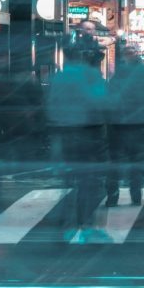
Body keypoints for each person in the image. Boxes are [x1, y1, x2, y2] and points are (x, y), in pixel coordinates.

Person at [46, 36, 111, 243]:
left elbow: (52, 105)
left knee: (71, 179)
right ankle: (87, 223)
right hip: (88, 133)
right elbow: (99, 101)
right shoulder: (89, 74)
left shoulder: (60, 76)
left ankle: (67, 222)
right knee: (91, 181)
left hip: (65, 133)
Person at [106, 45, 144, 206]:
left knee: (116, 161)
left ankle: (113, 195)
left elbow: (111, 94)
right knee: (137, 161)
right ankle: (135, 194)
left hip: (121, 122)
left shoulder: (120, 73)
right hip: (139, 123)